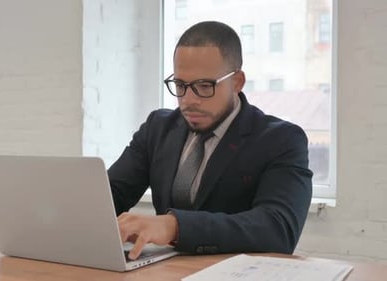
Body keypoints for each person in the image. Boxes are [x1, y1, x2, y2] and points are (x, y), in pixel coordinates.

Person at [108, 21, 313, 260]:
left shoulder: (281, 140)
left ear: (237, 82)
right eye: (180, 85)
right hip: (166, 272)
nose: (188, 100)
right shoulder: (158, 128)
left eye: (204, 86)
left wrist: (174, 226)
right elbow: (111, 194)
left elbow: (278, 228)